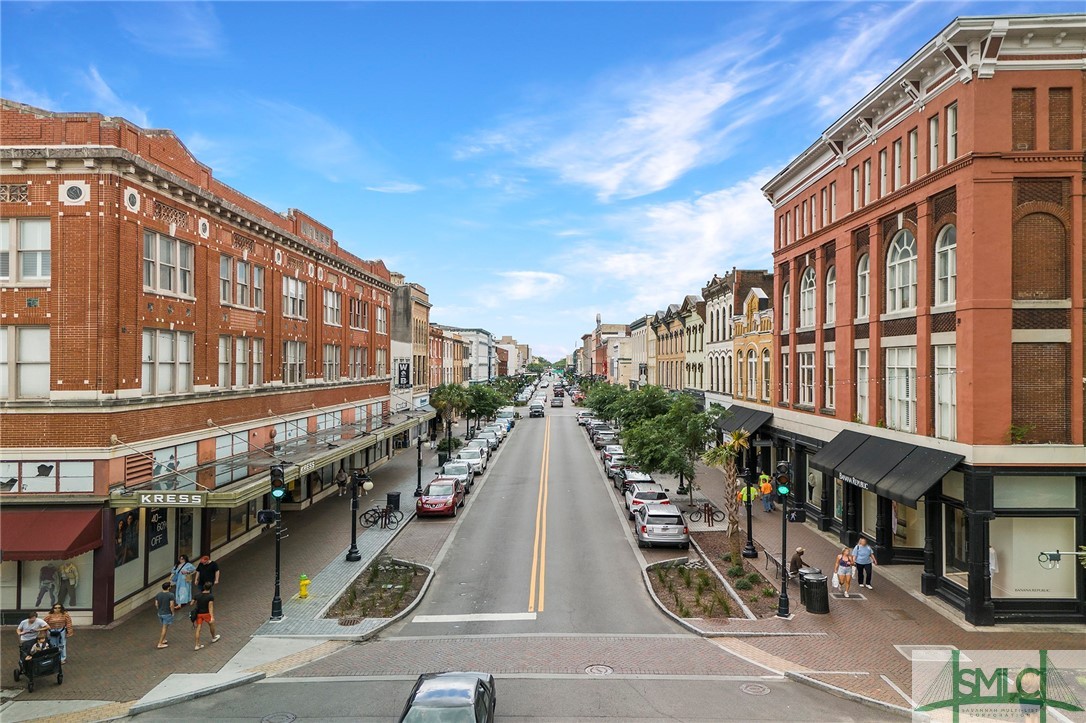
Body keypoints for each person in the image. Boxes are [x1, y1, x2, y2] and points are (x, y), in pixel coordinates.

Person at [192, 582, 220, 650]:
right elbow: (210, 607)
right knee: (211, 625)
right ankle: (213, 637)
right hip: (206, 613)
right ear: (210, 588)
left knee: (198, 628)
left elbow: (192, 603)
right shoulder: (210, 596)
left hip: (199, 614)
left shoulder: (197, 595)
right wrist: (212, 617)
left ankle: (197, 645)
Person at [152, 581, 178, 649]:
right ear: (168, 587)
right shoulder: (170, 595)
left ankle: (163, 640)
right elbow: (171, 605)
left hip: (160, 613)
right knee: (165, 628)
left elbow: (156, 604)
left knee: (164, 626)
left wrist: (159, 609)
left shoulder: (158, 594)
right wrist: (172, 612)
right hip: (167, 613)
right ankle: (160, 643)